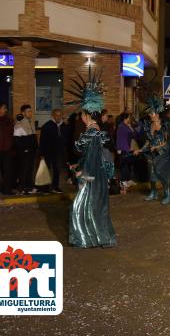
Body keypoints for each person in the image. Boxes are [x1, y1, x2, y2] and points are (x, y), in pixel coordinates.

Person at [67, 73, 116, 248]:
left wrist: (81, 171)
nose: (80, 117)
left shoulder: (89, 133)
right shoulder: (99, 131)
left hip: (91, 176)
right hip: (99, 175)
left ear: (86, 115)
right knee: (97, 207)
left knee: (79, 207)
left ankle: (85, 238)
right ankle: (101, 238)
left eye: (82, 114)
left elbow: (90, 156)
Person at [135, 96, 170, 205]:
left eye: (152, 113)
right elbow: (148, 141)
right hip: (152, 154)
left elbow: (167, 141)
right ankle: (153, 192)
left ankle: (167, 194)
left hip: (163, 154)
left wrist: (157, 147)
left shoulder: (164, 125)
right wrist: (140, 150)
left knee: (162, 174)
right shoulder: (150, 125)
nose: (150, 115)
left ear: (157, 113)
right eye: (149, 113)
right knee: (151, 174)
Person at [13, 104, 38, 194]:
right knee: (24, 170)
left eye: (31, 111)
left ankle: (29, 187)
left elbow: (33, 137)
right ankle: (21, 188)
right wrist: (24, 149)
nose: (30, 113)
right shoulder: (19, 123)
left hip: (32, 151)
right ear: (23, 113)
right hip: (24, 152)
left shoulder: (30, 121)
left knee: (30, 170)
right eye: (28, 111)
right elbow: (16, 139)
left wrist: (35, 148)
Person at [39, 109, 64, 193]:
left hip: (57, 153)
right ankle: (45, 189)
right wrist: (41, 153)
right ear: (53, 116)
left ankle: (55, 187)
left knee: (57, 170)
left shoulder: (60, 126)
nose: (59, 117)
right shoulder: (47, 126)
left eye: (60, 115)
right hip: (48, 153)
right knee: (46, 171)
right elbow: (42, 141)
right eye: (57, 115)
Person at [115, 113, 136, 191]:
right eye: (129, 118)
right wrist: (118, 148)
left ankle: (127, 180)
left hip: (127, 148)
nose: (129, 119)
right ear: (126, 119)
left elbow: (133, 135)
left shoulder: (124, 126)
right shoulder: (122, 126)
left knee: (128, 164)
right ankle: (123, 181)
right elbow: (132, 134)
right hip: (124, 148)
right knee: (124, 165)